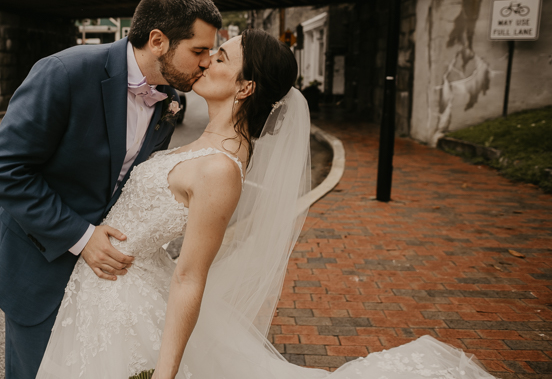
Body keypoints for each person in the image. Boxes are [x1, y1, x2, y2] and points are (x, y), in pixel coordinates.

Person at [37, 29, 495, 379]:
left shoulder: (219, 168)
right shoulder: (200, 139)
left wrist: (166, 371)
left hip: (127, 301)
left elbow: (191, 274)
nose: (204, 63)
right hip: (112, 287)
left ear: (244, 88)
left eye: (219, 58)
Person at [0, 0, 223, 379]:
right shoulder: (66, 73)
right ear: (158, 41)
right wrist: (83, 237)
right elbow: (4, 166)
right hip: (40, 263)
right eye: (199, 51)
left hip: (106, 283)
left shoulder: (172, 101)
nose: (208, 61)